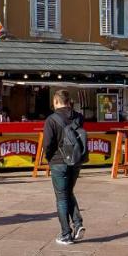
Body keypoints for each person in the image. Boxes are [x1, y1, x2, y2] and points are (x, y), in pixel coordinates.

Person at [42, 90, 86, 244]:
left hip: (58, 161)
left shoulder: (51, 120)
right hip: (75, 161)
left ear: (55, 101)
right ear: (69, 101)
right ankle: (78, 224)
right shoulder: (79, 117)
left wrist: (48, 158)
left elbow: (47, 144)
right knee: (68, 192)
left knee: (61, 197)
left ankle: (66, 234)